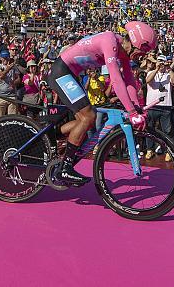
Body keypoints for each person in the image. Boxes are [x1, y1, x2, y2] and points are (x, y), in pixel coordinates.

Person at [46, 21, 156, 185]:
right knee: (89, 116)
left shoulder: (124, 53)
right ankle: (65, 168)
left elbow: (129, 80)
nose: (143, 56)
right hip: (61, 71)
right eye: (142, 51)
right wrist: (131, 112)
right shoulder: (110, 41)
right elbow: (116, 79)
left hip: (70, 73)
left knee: (87, 120)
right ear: (133, 43)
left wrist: (136, 107)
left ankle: (50, 135)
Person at [144, 54, 174, 161]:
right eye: (159, 61)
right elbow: (148, 81)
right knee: (149, 129)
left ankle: (169, 151)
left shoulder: (168, 74)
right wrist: (156, 68)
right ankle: (149, 150)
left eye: (162, 62)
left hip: (165, 106)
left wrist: (169, 69)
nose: (161, 64)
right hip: (152, 105)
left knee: (167, 131)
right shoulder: (151, 72)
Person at [0, 50, 20, 117]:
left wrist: (13, 82)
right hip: (1, 96)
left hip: (12, 95)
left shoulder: (14, 67)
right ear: (1, 58)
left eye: (6, 57)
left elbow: (18, 79)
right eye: (4, 57)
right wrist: (8, 69)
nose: (5, 59)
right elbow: (1, 76)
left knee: (12, 119)